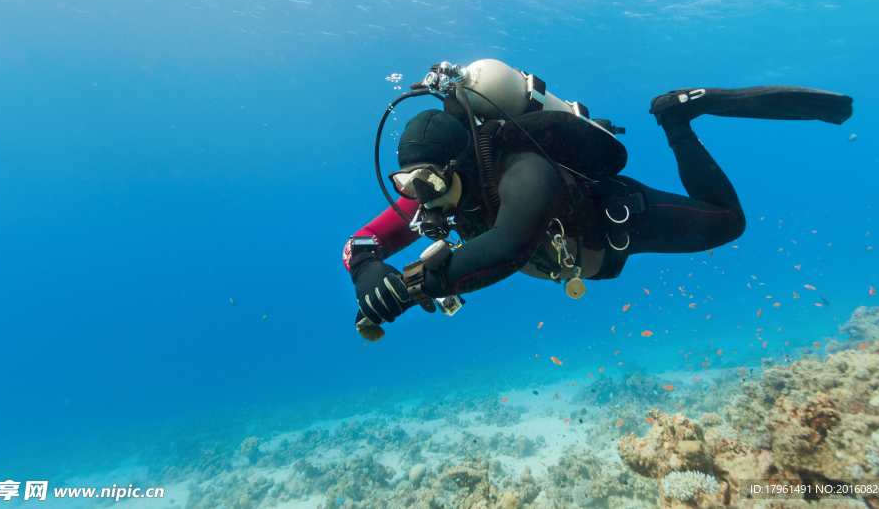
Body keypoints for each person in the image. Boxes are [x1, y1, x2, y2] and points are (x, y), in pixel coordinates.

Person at [343, 61, 852, 341]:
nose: (417, 200)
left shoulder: (525, 171)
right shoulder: (431, 194)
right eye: (406, 183)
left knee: (729, 223)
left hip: (618, 221)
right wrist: (368, 271)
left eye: (426, 183)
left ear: (458, 165)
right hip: (576, 256)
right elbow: (360, 243)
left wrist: (411, 286)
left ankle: (678, 119)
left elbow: (509, 244)